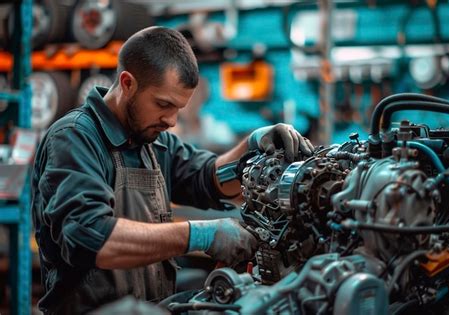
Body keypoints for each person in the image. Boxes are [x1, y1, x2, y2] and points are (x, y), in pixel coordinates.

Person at [31, 26, 314, 314]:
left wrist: (251, 148)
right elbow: (91, 238)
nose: (171, 120)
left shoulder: (153, 141)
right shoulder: (74, 138)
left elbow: (206, 179)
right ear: (127, 83)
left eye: (179, 108)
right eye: (163, 104)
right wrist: (199, 235)